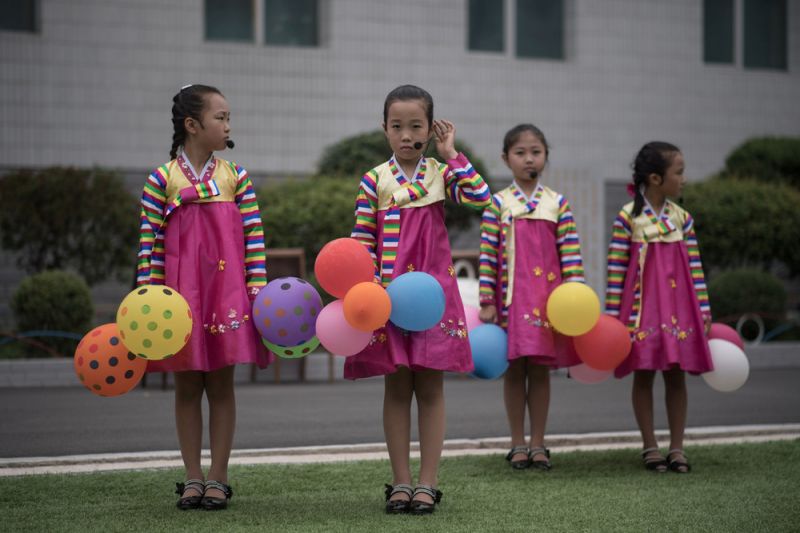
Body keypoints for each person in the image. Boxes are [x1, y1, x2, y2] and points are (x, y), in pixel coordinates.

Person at [346, 85, 490, 514]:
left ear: (430, 129)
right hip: (387, 299)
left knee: (430, 386)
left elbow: (482, 199)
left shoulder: (440, 173)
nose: (406, 135)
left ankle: (429, 482)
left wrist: (452, 154)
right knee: (396, 385)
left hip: (434, 297)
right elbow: (360, 243)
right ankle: (401, 482)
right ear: (384, 129)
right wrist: (370, 291)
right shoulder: (374, 179)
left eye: (416, 126)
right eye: (397, 126)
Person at [136, 84, 270, 509]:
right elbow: (149, 244)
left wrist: (256, 289)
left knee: (222, 385)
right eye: (221, 118)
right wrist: (149, 295)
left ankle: (218, 476)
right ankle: (192, 476)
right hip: (180, 298)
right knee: (187, 386)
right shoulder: (162, 179)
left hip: (227, 293)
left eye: (228, 118)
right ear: (193, 125)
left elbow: (253, 237)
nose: (228, 125)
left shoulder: (236, 177)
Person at [478, 124, 584, 471]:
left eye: (536, 152)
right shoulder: (498, 203)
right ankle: (517, 442)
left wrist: (576, 298)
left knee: (539, 370)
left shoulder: (557, 204)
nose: (528, 159)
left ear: (546, 157)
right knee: (514, 370)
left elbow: (571, 256)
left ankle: (538, 443)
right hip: (511, 301)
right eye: (520, 152)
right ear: (506, 158)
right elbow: (488, 255)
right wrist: (487, 299)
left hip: (548, 302)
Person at [605, 141, 712, 473]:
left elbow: (695, 268)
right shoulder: (628, 218)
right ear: (654, 178)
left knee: (676, 376)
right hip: (641, 312)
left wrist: (704, 310)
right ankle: (650, 446)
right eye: (678, 173)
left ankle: (677, 447)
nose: (683, 179)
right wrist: (612, 318)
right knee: (644, 374)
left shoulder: (683, 219)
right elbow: (616, 268)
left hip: (680, 310)